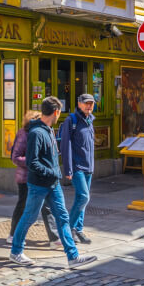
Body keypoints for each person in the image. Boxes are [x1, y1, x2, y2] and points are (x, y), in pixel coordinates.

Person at [9, 97, 97, 269]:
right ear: (55, 112)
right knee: (29, 217)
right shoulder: (37, 133)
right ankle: (16, 251)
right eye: (59, 112)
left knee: (63, 218)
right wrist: (53, 172)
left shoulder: (49, 129)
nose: (60, 116)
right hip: (39, 185)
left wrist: (55, 173)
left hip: (53, 185)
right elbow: (31, 163)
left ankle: (73, 257)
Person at [8, 111, 60, 248]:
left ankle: (54, 239)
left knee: (46, 207)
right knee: (24, 207)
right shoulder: (24, 134)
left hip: (40, 177)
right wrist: (32, 161)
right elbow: (16, 157)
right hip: (25, 178)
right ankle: (13, 235)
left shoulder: (42, 133)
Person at [61, 93, 96, 244]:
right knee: (83, 197)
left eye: (91, 103)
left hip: (88, 166)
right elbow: (65, 146)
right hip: (77, 166)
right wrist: (68, 169)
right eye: (86, 103)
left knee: (82, 199)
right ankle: (68, 229)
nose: (89, 106)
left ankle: (78, 229)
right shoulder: (71, 120)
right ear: (79, 103)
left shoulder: (90, 120)